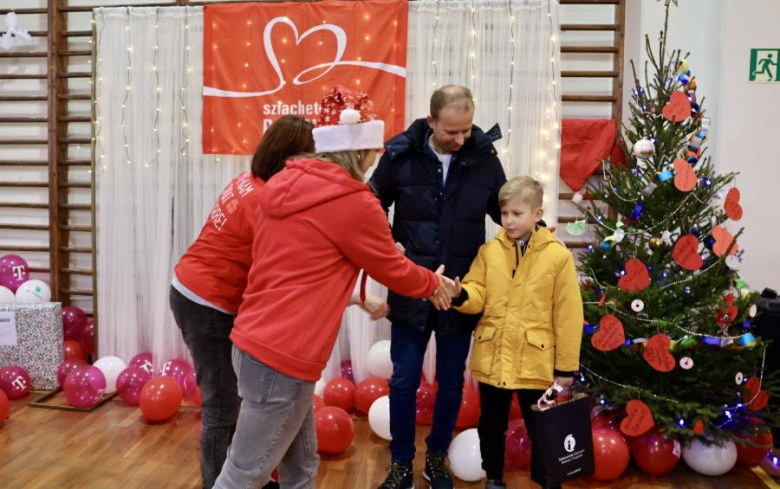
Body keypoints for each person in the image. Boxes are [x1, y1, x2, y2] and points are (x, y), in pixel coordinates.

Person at [213, 85, 459, 489]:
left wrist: (376, 254)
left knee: (301, 465)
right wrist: (435, 283)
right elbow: (393, 269)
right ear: (358, 152)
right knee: (243, 474)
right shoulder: (353, 201)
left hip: (254, 344)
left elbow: (311, 258)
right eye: (373, 150)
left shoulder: (279, 183)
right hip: (284, 356)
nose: (377, 156)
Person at [170, 115, 387, 489]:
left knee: (248, 411)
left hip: (197, 289)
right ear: (294, 155)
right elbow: (290, 273)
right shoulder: (267, 199)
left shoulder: (254, 181)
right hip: (208, 302)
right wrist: (355, 295)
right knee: (223, 408)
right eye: (315, 154)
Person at [370, 85, 507, 489]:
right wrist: (384, 240)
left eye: (466, 130)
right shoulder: (399, 154)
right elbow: (372, 203)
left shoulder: (483, 158)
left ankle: (436, 457)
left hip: (459, 292)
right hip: (411, 289)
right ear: (431, 122)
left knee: (451, 381)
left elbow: (504, 212)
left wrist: (533, 232)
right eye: (452, 131)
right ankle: (399, 463)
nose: (461, 139)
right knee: (403, 380)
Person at [449, 176, 584, 489]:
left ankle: (550, 481)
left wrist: (565, 367)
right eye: (504, 213)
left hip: (535, 363)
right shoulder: (489, 252)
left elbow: (568, 314)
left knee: (543, 428)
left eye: (516, 214)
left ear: (537, 214)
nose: (508, 220)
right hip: (494, 355)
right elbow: (478, 291)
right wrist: (461, 296)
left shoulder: (557, 257)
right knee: (491, 426)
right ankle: (494, 477)